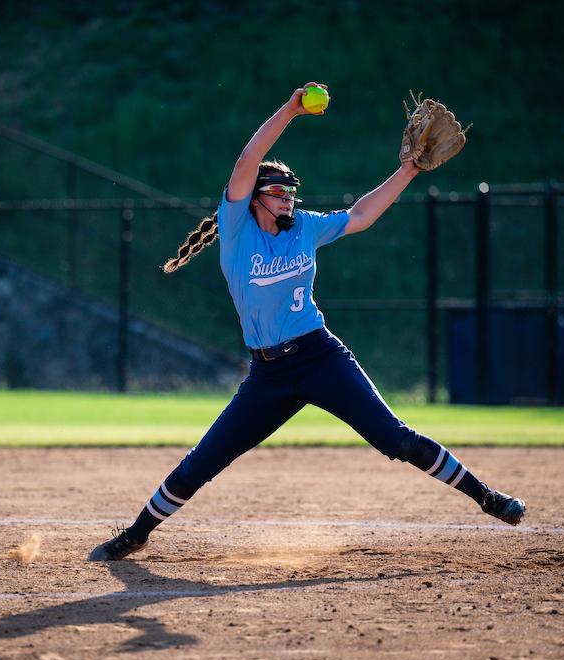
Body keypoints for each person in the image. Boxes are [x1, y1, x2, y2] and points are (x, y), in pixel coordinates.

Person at [87, 82, 526, 562]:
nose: (287, 200)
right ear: (253, 199)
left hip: (321, 356)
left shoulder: (306, 228)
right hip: (268, 376)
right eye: (277, 192)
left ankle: (489, 498)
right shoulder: (235, 232)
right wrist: (291, 110)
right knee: (205, 461)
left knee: (395, 438)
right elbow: (245, 162)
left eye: (291, 192)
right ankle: (136, 534)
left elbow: (360, 215)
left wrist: (409, 170)